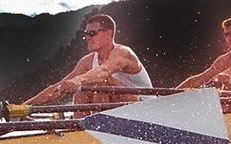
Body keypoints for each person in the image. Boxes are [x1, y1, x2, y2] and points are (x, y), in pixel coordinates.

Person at [23, 14, 152, 109]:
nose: (87, 38)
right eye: (86, 33)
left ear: (108, 34)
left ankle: (100, 129)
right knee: (81, 90)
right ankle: (78, 131)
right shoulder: (87, 62)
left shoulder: (123, 53)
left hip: (147, 109)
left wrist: (78, 80)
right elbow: (59, 88)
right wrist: (24, 107)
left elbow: (104, 71)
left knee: (100, 83)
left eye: (92, 33)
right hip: (122, 110)